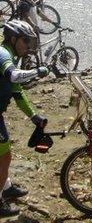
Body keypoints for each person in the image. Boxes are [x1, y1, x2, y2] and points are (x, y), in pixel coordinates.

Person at [0, 20, 48, 217]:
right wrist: (37, 71)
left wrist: (34, 116)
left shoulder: (10, 54)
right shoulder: (3, 54)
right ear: (13, 39)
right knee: (4, 156)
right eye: (25, 41)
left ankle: (6, 185)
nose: (28, 46)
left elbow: (17, 92)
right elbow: (14, 77)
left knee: (4, 154)